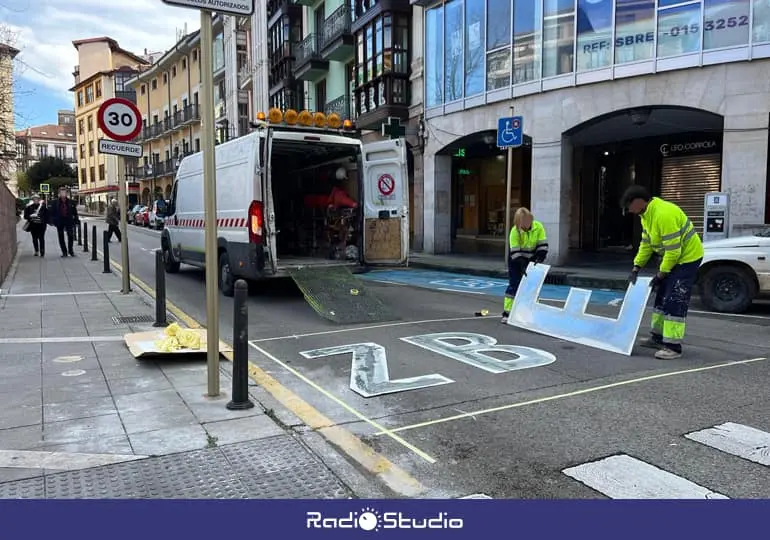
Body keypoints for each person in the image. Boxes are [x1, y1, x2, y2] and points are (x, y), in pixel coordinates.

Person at [621, 185, 704, 360]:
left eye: (629, 206)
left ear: (639, 201)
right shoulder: (646, 216)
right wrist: (636, 267)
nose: (629, 211)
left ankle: (673, 347)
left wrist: (661, 274)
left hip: (687, 259)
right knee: (661, 297)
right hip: (672, 258)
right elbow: (646, 244)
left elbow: (674, 251)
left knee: (675, 299)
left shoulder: (663, 214)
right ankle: (658, 338)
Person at [502, 207, 548, 323]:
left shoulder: (538, 227)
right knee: (515, 284)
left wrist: (540, 256)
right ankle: (507, 313)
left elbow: (542, 244)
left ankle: (532, 311)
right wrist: (522, 266)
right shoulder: (514, 231)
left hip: (532, 259)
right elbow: (515, 251)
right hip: (516, 259)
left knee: (533, 285)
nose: (526, 225)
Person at [47, 187, 79, 257]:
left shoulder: (71, 202)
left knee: (70, 235)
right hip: (59, 221)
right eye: (61, 193)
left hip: (69, 220)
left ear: (66, 193)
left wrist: (76, 221)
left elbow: (75, 213)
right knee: (61, 236)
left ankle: (71, 250)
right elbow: (51, 213)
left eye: (64, 192)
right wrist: (52, 221)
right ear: (59, 194)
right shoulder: (55, 202)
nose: (63, 194)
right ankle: (64, 252)